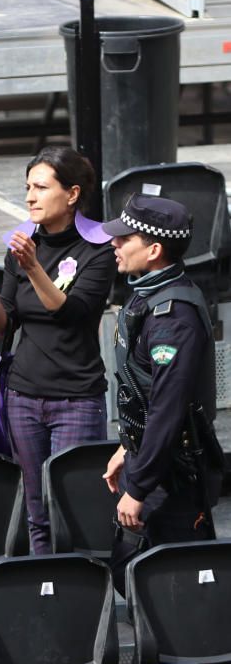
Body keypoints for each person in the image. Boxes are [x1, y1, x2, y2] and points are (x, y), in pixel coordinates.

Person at [0, 146, 116, 554]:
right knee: (36, 509)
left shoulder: (97, 248)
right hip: (23, 395)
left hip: (76, 397)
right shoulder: (21, 245)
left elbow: (72, 313)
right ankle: (46, 594)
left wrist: (35, 269)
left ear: (72, 194)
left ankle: (82, 595)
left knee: (72, 507)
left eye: (41, 187)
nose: (30, 197)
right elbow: (4, 325)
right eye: (28, 187)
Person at [101, 194, 222, 592]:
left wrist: (138, 488)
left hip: (170, 477)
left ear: (153, 250)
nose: (114, 244)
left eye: (124, 239)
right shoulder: (147, 293)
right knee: (131, 577)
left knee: (174, 591)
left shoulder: (175, 318)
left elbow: (168, 409)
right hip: (150, 461)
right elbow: (144, 392)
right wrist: (127, 446)